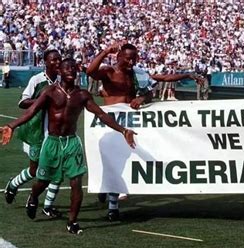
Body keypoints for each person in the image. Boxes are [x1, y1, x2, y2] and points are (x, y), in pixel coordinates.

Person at [0, 58, 136, 234]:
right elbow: (31, 111)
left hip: (72, 142)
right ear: (61, 71)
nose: (71, 70)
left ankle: (72, 222)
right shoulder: (50, 91)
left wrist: (123, 130)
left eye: (73, 68)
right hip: (52, 143)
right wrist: (12, 125)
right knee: (42, 181)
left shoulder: (82, 95)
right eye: (66, 68)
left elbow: (101, 114)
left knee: (76, 183)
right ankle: (33, 197)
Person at [86, 42, 151, 221]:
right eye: (128, 59)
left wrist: (141, 98)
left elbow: (149, 93)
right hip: (108, 123)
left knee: (119, 163)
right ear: (119, 57)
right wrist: (106, 50)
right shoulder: (109, 72)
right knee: (107, 163)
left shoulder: (136, 75)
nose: (131, 62)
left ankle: (112, 207)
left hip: (127, 124)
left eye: (134, 59)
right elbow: (90, 72)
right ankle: (105, 190)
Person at [4, 50, 64, 218]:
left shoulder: (62, 81)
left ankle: (47, 205)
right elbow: (23, 102)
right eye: (53, 60)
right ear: (45, 62)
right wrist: (42, 101)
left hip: (55, 132)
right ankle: (13, 185)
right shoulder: (37, 80)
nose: (57, 62)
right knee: (34, 170)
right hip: (36, 131)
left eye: (59, 59)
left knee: (58, 169)